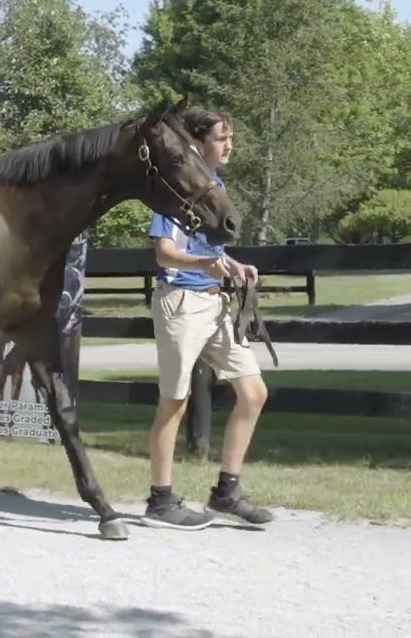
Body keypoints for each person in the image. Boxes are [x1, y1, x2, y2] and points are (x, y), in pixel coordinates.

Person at [141, 107, 275, 530]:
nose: (229, 144)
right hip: (181, 302)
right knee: (174, 402)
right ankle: (160, 501)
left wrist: (233, 265)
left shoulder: (213, 186)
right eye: (222, 138)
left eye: (229, 137)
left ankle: (226, 493)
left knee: (253, 393)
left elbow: (206, 250)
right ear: (198, 143)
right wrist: (205, 265)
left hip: (215, 303)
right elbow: (164, 252)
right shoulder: (174, 188)